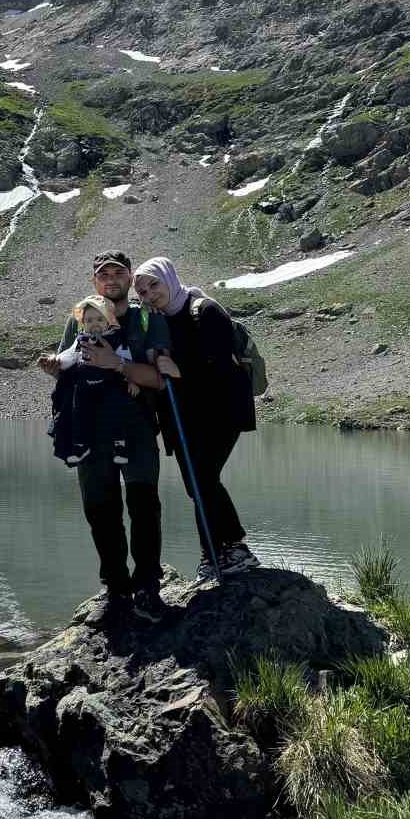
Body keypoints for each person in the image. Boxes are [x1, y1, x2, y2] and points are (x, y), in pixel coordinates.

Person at [39, 251, 177, 622]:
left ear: (131, 277)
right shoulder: (80, 318)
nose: (111, 279)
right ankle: (115, 587)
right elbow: (71, 370)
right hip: (89, 429)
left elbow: (160, 379)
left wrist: (117, 366)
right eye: (104, 274)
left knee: (144, 506)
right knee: (100, 510)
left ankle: (147, 585)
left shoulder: (148, 316)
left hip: (136, 427)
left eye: (118, 272)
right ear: (94, 281)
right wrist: (56, 370)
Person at [132, 256, 259, 585]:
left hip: (222, 412)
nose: (149, 295)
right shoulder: (157, 320)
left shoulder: (204, 310)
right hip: (186, 417)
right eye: (142, 291)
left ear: (169, 279)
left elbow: (222, 370)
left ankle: (233, 548)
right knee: (196, 483)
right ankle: (214, 553)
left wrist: (180, 371)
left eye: (153, 285)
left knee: (202, 478)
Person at [50, 293, 142, 467]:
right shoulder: (80, 340)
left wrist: (131, 380)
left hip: (111, 385)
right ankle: (80, 445)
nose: (95, 324)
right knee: (79, 413)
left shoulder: (117, 339)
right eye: (90, 320)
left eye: (100, 319)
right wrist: (55, 361)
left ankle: (119, 445)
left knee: (116, 412)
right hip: (84, 388)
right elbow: (68, 357)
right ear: (83, 323)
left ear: (108, 321)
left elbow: (127, 361)